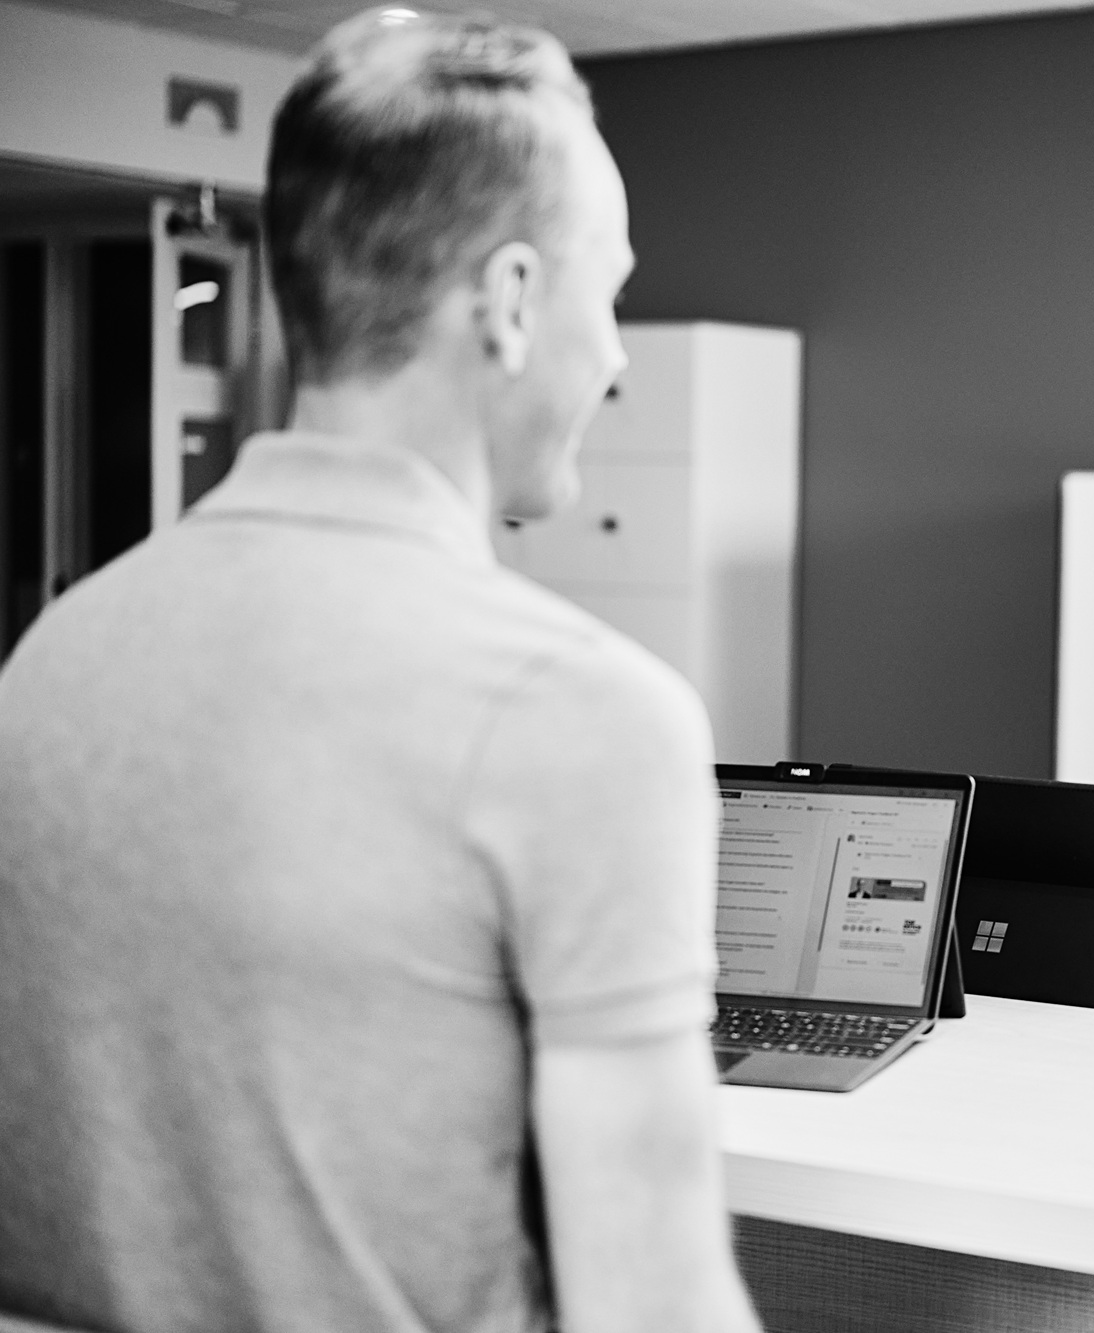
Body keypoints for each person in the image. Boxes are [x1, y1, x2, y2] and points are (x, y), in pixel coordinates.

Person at [0, 10, 761, 1332]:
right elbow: (655, 1306)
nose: (620, 353)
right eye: (612, 290)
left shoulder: (52, 661)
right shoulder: (584, 719)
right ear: (514, 303)